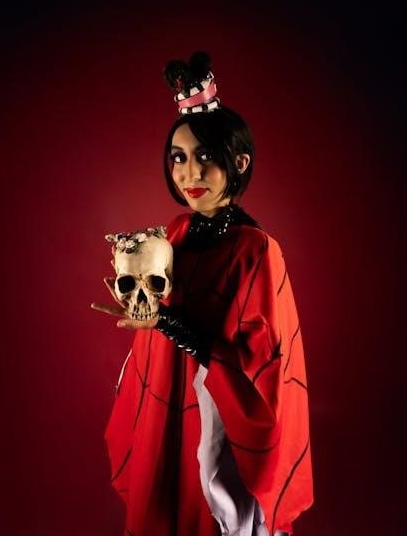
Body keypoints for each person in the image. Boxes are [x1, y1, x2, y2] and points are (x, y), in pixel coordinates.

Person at [91, 52, 313, 536]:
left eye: (205, 157)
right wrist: (139, 291)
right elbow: (160, 311)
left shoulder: (256, 250)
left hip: (216, 418)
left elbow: (260, 363)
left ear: (239, 162)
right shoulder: (175, 231)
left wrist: (166, 324)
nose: (189, 173)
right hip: (165, 404)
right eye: (179, 158)